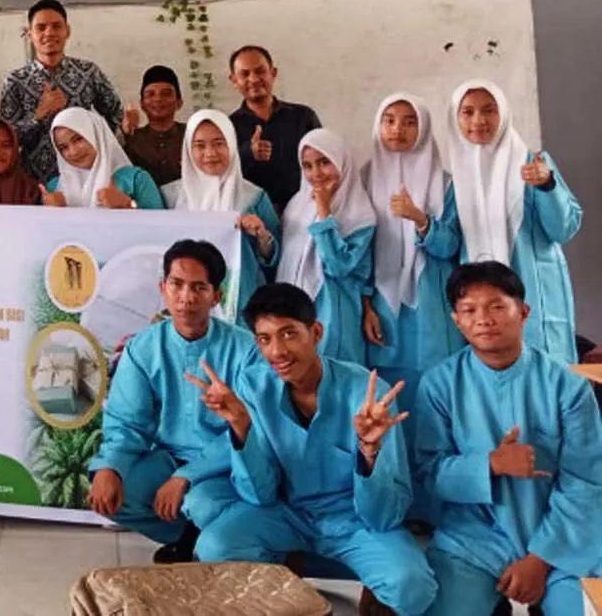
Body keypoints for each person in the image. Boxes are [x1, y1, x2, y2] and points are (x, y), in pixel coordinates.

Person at [191, 283, 437, 616]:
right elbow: (260, 496)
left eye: (289, 333)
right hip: (287, 513)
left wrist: (369, 450)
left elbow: (385, 515)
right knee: (215, 546)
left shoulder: (366, 394)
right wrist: (241, 426)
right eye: (265, 339)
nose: (277, 351)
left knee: (412, 585)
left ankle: (373, 589)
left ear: (316, 331)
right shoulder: (252, 385)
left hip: (355, 521)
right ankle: (283, 584)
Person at [416, 262, 602, 615]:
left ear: (524, 312)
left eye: (497, 306)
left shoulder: (568, 388)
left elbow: (587, 483)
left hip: (560, 540)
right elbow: (429, 472)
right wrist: (489, 464)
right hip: (472, 540)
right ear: (456, 320)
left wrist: (540, 559)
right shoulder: (439, 384)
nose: (483, 319)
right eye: (469, 310)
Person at [87, 240, 258, 563]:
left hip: (227, 466)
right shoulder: (143, 348)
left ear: (216, 296)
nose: (186, 298)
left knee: (202, 504)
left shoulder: (245, 350)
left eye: (199, 287)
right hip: (168, 458)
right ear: (163, 287)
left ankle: (204, 539)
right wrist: (110, 466)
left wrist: (188, 475)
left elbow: (252, 430)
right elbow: (127, 422)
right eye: (177, 284)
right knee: (112, 493)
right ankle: (187, 539)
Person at [360, 94, 463, 525]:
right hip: (382, 309)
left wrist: (421, 219)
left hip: (429, 310)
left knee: (431, 406)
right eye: (389, 120)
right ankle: (392, 505)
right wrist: (365, 303)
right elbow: (358, 245)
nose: (398, 130)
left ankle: (435, 508)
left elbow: (452, 247)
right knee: (384, 404)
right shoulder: (364, 179)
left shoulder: (445, 183)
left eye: (408, 122)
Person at [445, 80, 582, 366]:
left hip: (536, 291)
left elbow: (564, 228)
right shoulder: (455, 178)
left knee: (546, 371)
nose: (478, 120)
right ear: (455, 118)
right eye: (467, 112)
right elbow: (450, 243)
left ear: (503, 114)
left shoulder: (534, 163)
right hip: (481, 298)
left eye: (489, 110)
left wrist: (547, 185)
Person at [162, 110, 279, 319]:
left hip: (242, 307)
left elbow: (275, 258)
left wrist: (261, 235)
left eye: (218, 143)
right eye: (199, 145)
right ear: (188, 150)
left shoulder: (253, 197)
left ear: (232, 145)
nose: (210, 153)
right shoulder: (170, 197)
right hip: (185, 307)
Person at [277, 129, 375, 365]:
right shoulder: (297, 205)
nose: (316, 173)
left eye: (324, 162)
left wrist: (324, 213)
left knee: (334, 376)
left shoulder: (359, 214)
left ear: (342, 162)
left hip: (336, 312)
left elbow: (338, 266)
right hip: (293, 309)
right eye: (308, 166)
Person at [0, 0, 123, 183]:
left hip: (86, 180)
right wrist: (38, 116)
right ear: (29, 34)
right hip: (35, 183)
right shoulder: (15, 81)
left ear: (67, 31)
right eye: (41, 28)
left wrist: (94, 145)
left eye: (56, 26)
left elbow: (115, 116)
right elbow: (6, 140)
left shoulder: (88, 72)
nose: (49, 33)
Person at [227, 46, 322, 213]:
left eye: (260, 71)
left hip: (305, 210)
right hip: (254, 214)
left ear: (273, 73)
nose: (254, 79)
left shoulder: (303, 116)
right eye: (245, 74)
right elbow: (223, 175)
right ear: (234, 80)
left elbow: (324, 159)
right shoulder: (228, 126)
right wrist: (248, 153)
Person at [40, 107, 164, 210]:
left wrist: (128, 205)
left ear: (96, 134)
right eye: (63, 148)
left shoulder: (135, 179)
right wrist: (52, 212)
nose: (73, 151)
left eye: (78, 139)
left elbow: (162, 228)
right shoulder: (54, 187)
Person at [120, 65, 186, 187]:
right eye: (150, 94)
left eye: (166, 94)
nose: (158, 99)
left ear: (179, 103)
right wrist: (125, 135)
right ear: (142, 104)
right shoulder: (132, 140)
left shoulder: (192, 136)